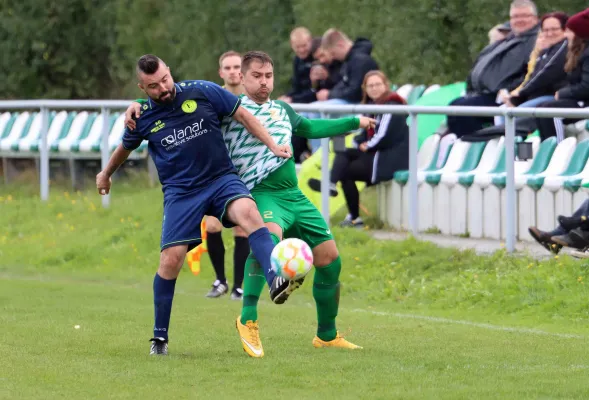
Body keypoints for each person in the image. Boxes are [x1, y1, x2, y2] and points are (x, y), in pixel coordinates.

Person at [126, 52, 376, 356]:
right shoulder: (226, 109)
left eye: (268, 76)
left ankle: (326, 334)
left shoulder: (282, 109)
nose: (264, 82)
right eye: (256, 76)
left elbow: (310, 129)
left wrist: (354, 121)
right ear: (240, 79)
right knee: (267, 240)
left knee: (330, 259)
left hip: (294, 195)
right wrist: (138, 106)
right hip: (260, 192)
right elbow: (177, 112)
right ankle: (248, 319)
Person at [99, 54, 294, 356]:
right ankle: (159, 338)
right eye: (153, 86)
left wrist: (271, 144)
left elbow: (243, 114)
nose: (163, 87)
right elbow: (124, 149)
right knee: (171, 260)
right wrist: (105, 174)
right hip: (181, 192)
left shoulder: (201, 90)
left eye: (165, 79)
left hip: (220, 178)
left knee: (249, 213)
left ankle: (275, 279)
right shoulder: (142, 116)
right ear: (142, 87)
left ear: (169, 71)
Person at [308, 70, 409, 228]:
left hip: (389, 159)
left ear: (385, 85)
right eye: (370, 86)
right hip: (376, 155)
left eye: (377, 84)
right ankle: (350, 211)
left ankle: (333, 186)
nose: (374, 88)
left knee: (345, 169)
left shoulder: (393, 105)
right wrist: (358, 143)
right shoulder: (371, 107)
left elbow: (385, 135)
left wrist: (366, 146)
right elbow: (362, 134)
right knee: (344, 157)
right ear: (365, 89)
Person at [204, 51, 249, 300]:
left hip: (243, 168)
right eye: (228, 68)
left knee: (241, 228)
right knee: (212, 224)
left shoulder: (252, 99)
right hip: (216, 169)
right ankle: (220, 280)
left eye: (237, 67)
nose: (233, 71)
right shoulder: (211, 98)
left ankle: (239, 286)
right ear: (221, 72)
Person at [535, 8, 589, 142]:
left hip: (585, 103)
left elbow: (586, 87)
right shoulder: (579, 53)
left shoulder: (587, 55)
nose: (566, 35)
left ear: (579, 34)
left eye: (569, 31)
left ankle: (557, 152)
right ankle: (546, 148)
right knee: (542, 108)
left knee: (550, 111)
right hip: (580, 100)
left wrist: (563, 93)